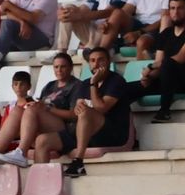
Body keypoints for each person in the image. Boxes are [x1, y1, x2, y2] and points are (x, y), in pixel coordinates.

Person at [41, 46, 129, 175]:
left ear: (109, 61)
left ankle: (78, 162)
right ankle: (42, 182)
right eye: (92, 61)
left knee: (86, 111)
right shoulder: (85, 83)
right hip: (85, 133)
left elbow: (101, 108)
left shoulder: (116, 81)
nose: (96, 64)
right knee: (42, 141)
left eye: (100, 60)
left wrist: (93, 84)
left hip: (111, 134)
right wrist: (82, 104)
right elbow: (77, 110)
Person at [0, 50, 84, 166]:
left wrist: (48, 109)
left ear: (71, 68)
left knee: (31, 110)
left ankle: (21, 152)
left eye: (63, 67)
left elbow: (75, 115)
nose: (59, 70)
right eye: (56, 67)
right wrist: (37, 106)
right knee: (18, 110)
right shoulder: (49, 86)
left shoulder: (77, 86)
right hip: (46, 125)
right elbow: (39, 106)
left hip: (66, 128)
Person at [140, 0, 185, 123]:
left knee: (168, 63)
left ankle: (164, 111)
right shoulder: (165, 33)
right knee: (130, 89)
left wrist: (151, 66)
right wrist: (148, 76)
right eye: (172, 8)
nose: (175, 12)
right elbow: (159, 66)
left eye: (180, 8)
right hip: (166, 81)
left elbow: (180, 58)